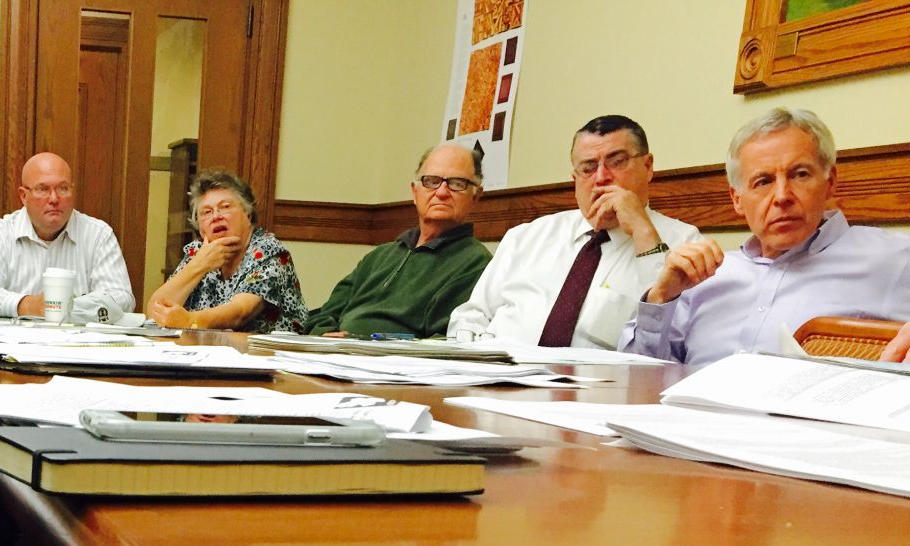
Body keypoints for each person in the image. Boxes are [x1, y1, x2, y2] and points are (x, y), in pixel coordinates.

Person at [619, 108, 910, 367]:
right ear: (737, 199)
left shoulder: (892, 259)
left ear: (829, 182)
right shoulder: (706, 276)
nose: (782, 196)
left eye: (799, 174)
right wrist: (660, 299)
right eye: (763, 181)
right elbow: (637, 375)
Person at [448, 115, 704, 349]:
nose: (602, 177)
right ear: (575, 179)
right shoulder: (527, 236)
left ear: (648, 167)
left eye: (617, 161)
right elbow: (471, 316)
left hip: (598, 393)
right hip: (493, 382)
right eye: (588, 168)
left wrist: (642, 230)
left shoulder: (684, 243)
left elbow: (668, 348)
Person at [305, 143, 492, 338]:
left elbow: (443, 342)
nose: (442, 192)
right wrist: (325, 336)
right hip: (331, 357)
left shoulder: (475, 263)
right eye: (431, 181)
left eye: (457, 183)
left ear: (476, 197)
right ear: (415, 192)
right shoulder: (379, 256)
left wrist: (358, 344)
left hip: (387, 364)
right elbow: (324, 314)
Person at [0, 152, 134, 318]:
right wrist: (25, 305)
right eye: (42, 189)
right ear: (23, 196)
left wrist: (64, 307)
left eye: (63, 188)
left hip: (77, 345)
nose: (54, 198)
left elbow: (122, 298)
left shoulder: (98, 235)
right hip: (12, 345)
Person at [146, 169, 308, 333]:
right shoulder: (198, 252)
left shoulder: (268, 250)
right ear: (200, 227)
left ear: (247, 213)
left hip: (266, 355)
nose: (216, 217)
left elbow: (240, 312)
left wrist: (190, 320)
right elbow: (154, 313)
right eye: (206, 212)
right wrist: (199, 265)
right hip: (207, 352)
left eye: (225, 207)